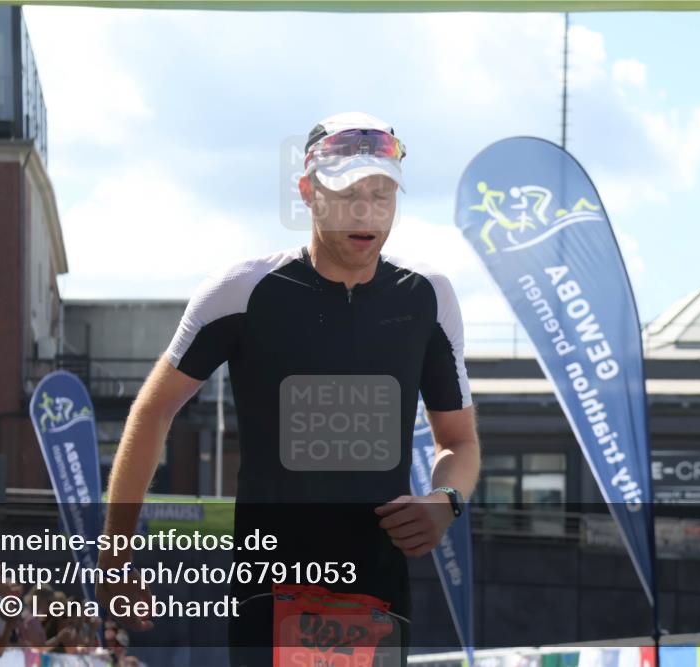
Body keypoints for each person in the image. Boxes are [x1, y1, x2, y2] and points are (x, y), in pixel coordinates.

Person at [97, 112, 481, 666]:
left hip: (379, 591)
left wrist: (444, 500)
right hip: (269, 591)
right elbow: (153, 411)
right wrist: (117, 556)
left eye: (381, 195)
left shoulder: (427, 297)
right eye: (347, 193)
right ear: (308, 192)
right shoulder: (242, 291)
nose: (366, 212)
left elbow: (459, 441)